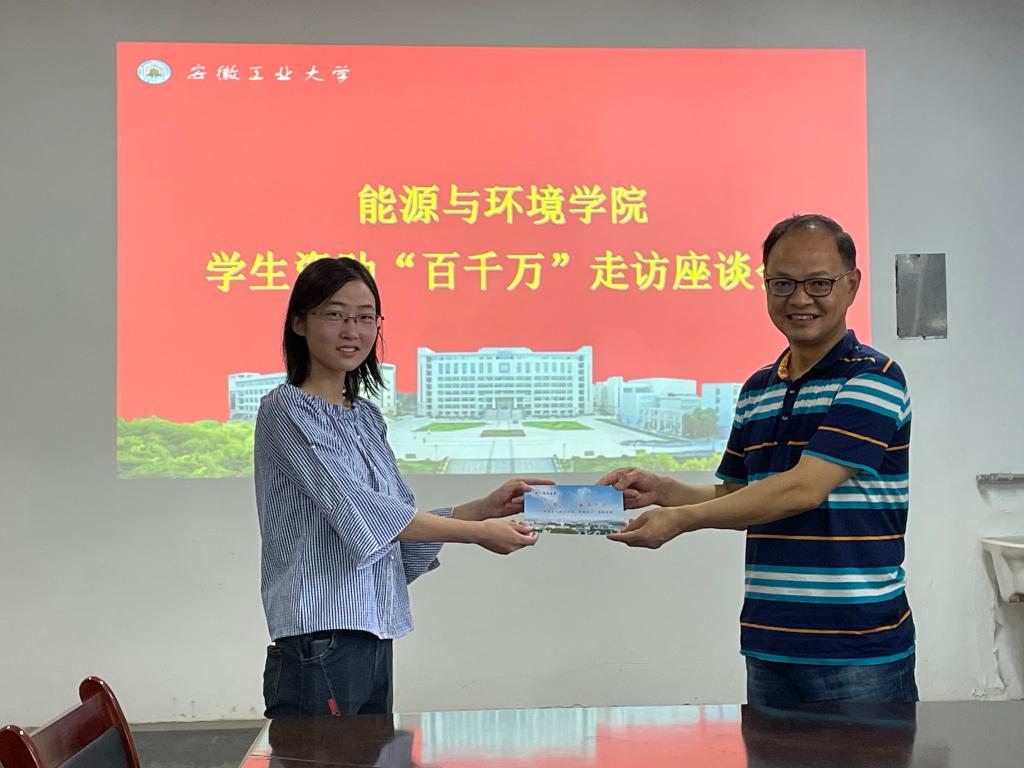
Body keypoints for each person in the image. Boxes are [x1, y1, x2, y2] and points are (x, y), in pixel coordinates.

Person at [602, 214, 916, 704]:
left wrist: (681, 519)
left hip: (858, 648)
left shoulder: (873, 378)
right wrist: (664, 490)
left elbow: (803, 489)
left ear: (852, 285)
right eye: (782, 283)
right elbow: (739, 495)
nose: (800, 299)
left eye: (818, 283)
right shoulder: (758, 389)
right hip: (770, 641)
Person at [255, 257, 543, 717]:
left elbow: (394, 525)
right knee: (323, 753)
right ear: (299, 323)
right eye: (335, 314)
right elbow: (364, 512)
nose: (352, 331)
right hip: (319, 637)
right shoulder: (286, 410)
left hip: (373, 630)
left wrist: (485, 508)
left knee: (373, 751)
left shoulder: (365, 417)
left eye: (365, 317)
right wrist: (478, 533)